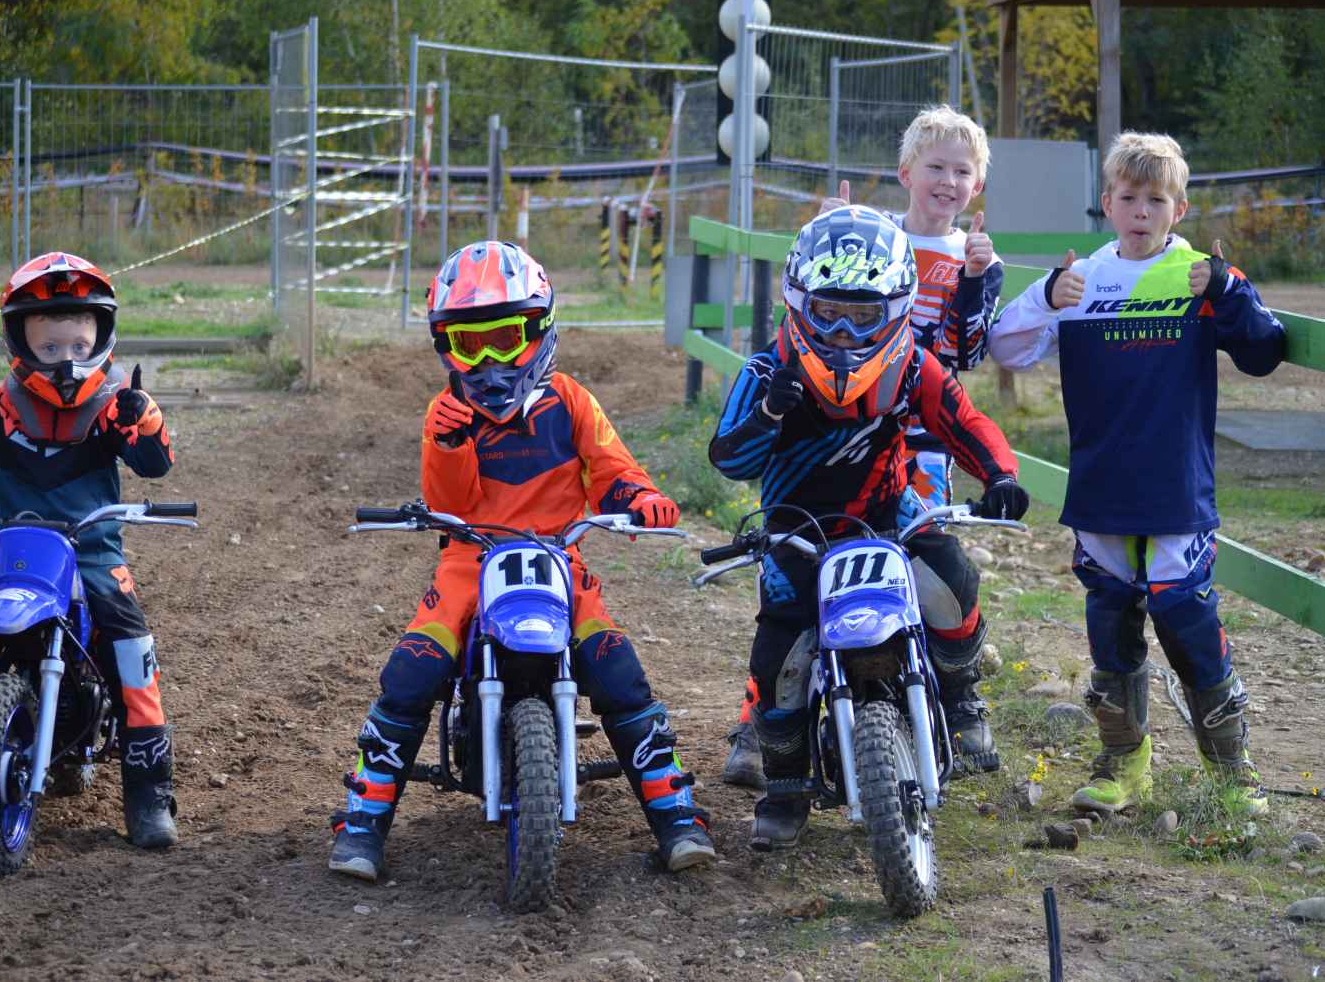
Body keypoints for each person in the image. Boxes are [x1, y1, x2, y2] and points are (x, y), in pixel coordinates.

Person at [327, 240, 715, 882]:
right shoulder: (445, 415)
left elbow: (613, 470)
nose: (487, 362)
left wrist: (642, 498)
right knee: (409, 677)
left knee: (619, 675)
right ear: (444, 347)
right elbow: (447, 503)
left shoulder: (571, 402)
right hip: (469, 562)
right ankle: (363, 822)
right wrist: (449, 444)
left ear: (539, 332)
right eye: (467, 344)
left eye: (505, 338)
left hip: (560, 560)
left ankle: (675, 816)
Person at [709, 206, 1028, 850]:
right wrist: (771, 413)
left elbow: (963, 421)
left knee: (956, 582)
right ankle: (786, 782)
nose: (845, 332)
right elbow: (728, 459)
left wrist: (1000, 476)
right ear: (800, 304)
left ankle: (962, 700)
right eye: (828, 312)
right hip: (795, 530)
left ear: (898, 305)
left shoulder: (912, 364)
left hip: (890, 512)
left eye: (862, 315)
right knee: (779, 660)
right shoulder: (766, 372)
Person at [989, 131, 1284, 817]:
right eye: (1129, 198)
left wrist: (1232, 291)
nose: (1142, 211)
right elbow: (1006, 345)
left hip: (1177, 483)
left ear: (1178, 209)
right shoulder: (1084, 279)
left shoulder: (1201, 276)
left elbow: (1265, 352)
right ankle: (1125, 765)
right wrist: (1047, 297)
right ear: (1108, 204)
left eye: (1157, 199)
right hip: (1102, 486)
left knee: (1184, 610)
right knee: (1110, 619)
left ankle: (1232, 771)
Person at [0, 251, 181, 848]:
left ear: (100, 335)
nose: (66, 358)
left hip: (94, 553)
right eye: (49, 347)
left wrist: (146, 419)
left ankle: (148, 792)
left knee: (130, 644)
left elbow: (154, 465)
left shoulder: (115, 403)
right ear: (20, 343)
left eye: (78, 343)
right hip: (18, 555)